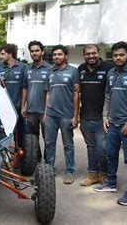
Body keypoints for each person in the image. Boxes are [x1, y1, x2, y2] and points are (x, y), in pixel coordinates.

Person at [94, 42, 127, 207]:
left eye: (121, 55)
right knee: (111, 154)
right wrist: (105, 115)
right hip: (112, 123)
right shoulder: (111, 73)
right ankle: (111, 182)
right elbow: (107, 95)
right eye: (115, 55)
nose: (118, 58)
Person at [77, 44, 113, 186]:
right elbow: (77, 88)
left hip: (102, 118)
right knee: (91, 148)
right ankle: (93, 175)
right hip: (85, 116)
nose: (91, 56)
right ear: (84, 55)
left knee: (103, 149)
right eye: (87, 54)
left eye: (93, 53)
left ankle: (105, 175)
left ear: (98, 53)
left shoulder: (108, 68)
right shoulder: (81, 69)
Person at [44, 45, 79, 184]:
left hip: (66, 115)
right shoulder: (50, 71)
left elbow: (76, 94)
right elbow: (48, 93)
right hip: (51, 115)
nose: (56, 57)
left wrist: (75, 116)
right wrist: (46, 112)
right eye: (54, 55)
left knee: (68, 145)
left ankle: (69, 171)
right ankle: (49, 169)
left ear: (66, 56)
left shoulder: (73, 71)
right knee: (49, 143)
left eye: (59, 54)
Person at [21, 41, 50, 161]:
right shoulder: (27, 69)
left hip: (45, 111)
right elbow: (25, 88)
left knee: (48, 139)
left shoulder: (50, 69)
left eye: (37, 50)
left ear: (42, 52)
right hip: (31, 111)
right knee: (33, 139)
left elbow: (52, 91)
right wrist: (23, 106)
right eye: (32, 51)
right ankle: (36, 162)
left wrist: (48, 110)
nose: (34, 53)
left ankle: (48, 164)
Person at [0, 43, 26, 148]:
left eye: (2, 54)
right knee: (3, 132)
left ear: (10, 54)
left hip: (17, 106)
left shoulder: (23, 68)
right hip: (2, 108)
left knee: (20, 134)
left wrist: (23, 105)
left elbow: (25, 88)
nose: (0, 56)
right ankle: (3, 157)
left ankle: (20, 157)